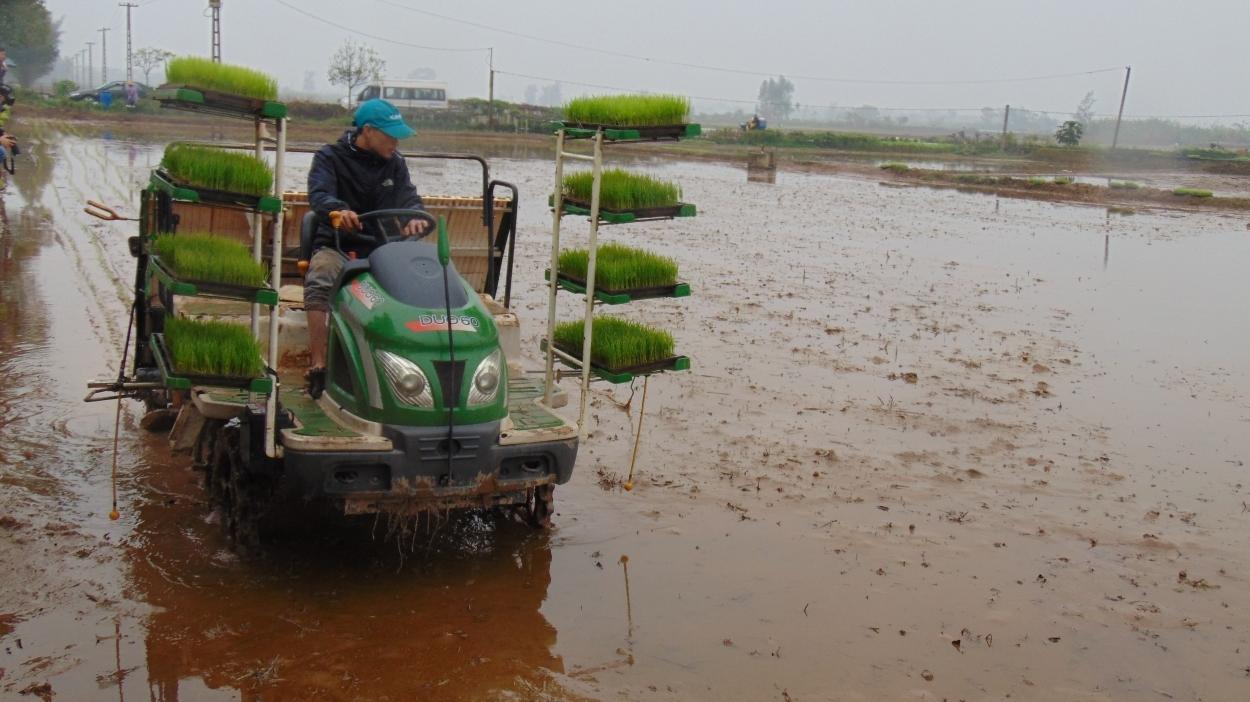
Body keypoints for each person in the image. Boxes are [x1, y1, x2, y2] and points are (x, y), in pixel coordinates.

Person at [304, 98, 428, 396]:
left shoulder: (395, 165)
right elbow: (319, 195)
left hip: (384, 250)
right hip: (338, 246)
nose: (396, 142)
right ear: (368, 131)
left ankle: (411, 365)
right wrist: (339, 211)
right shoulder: (329, 158)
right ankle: (318, 364)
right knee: (320, 275)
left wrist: (413, 217)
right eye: (390, 135)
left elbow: (409, 198)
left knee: (420, 285)